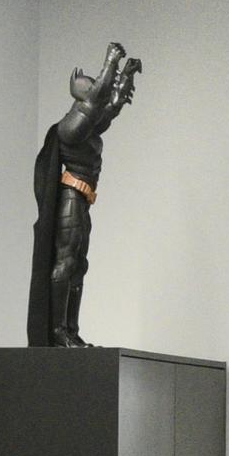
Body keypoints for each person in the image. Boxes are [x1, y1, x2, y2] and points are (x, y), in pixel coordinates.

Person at [28, 43, 142, 346]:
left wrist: (126, 75)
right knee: (66, 263)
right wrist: (111, 60)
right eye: (92, 88)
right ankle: (58, 333)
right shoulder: (71, 126)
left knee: (78, 265)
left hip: (82, 199)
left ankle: (71, 331)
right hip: (72, 197)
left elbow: (111, 106)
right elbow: (99, 99)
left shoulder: (89, 124)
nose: (96, 91)